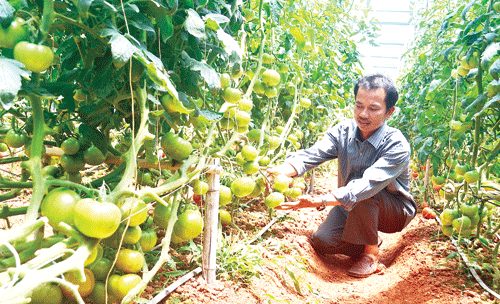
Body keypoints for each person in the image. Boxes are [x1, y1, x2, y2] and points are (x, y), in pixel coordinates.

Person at [267, 74, 417, 278]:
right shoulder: (343, 131)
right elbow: (314, 153)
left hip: (393, 210)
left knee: (365, 191)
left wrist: (320, 201)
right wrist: (280, 170)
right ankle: (366, 237)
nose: (363, 114)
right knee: (323, 241)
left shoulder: (396, 144)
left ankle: (370, 254)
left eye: (373, 108)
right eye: (359, 105)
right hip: (352, 204)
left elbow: (368, 184)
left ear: (389, 112)